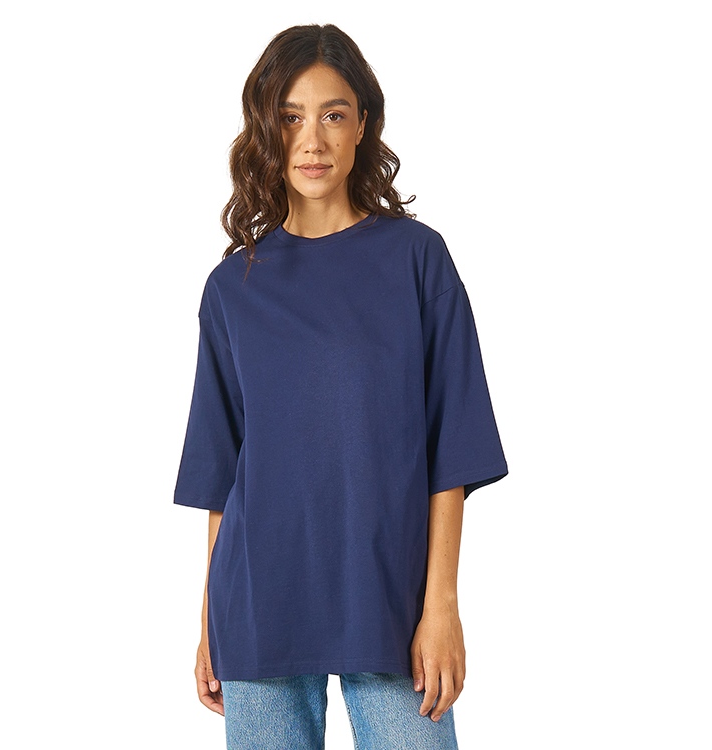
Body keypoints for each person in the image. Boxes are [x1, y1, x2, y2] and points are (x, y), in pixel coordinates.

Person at [172, 23, 508, 750]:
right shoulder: (232, 287)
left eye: (333, 114)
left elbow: (453, 445)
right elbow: (221, 472)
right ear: (267, 130)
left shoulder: (417, 260)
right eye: (290, 117)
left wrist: (442, 605)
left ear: (363, 125)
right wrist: (208, 624)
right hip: (259, 601)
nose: (312, 140)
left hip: (390, 598)